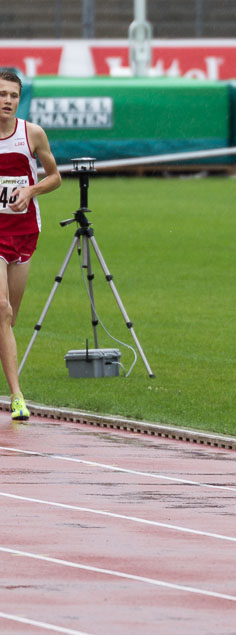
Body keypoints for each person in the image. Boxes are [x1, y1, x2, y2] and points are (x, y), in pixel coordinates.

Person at [0, 69, 61, 421]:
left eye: (13, 95)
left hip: (23, 232)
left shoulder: (32, 134)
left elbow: (55, 177)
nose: (7, 101)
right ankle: (16, 396)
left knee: (9, 319)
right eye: (2, 94)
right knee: (3, 308)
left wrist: (31, 190)